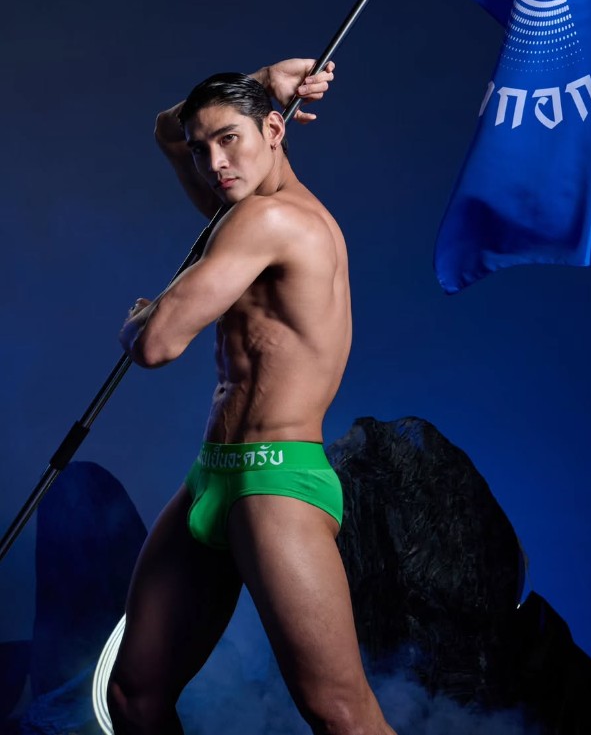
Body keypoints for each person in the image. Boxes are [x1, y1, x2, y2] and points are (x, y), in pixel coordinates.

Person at [107, 59, 397, 735]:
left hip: (276, 482)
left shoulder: (270, 219)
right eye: (203, 148)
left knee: (341, 713)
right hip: (213, 473)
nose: (214, 162)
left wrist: (138, 318)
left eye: (229, 139)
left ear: (275, 130)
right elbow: (165, 130)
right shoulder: (241, 209)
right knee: (134, 696)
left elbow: (155, 345)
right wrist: (262, 78)